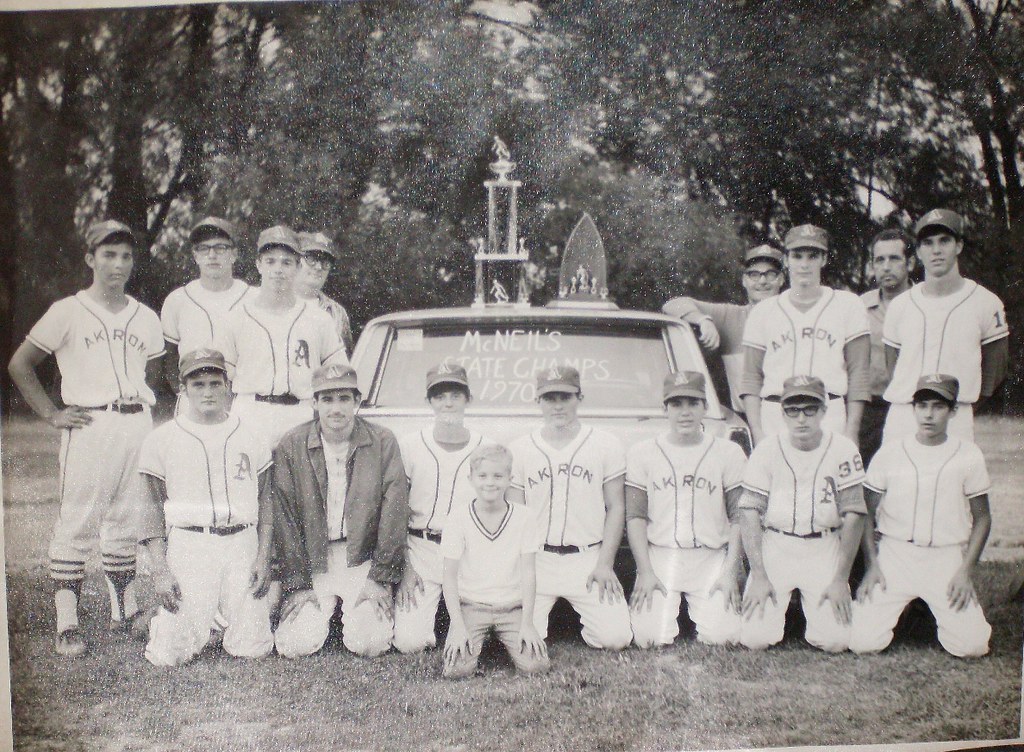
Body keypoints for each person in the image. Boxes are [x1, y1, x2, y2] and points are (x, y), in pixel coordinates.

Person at [7, 219, 164, 657]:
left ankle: (125, 609)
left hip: (136, 422)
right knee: (78, 520)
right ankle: (67, 622)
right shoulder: (67, 310)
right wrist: (52, 414)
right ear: (90, 258)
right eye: (108, 255)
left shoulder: (145, 316)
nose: (118, 264)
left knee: (128, 518)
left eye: (126, 256)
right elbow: (20, 364)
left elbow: (149, 373)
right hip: (90, 423)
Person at [137, 349, 274, 666]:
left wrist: (263, 557)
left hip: (242, 542)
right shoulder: (162, 439)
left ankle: (216, 617)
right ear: (183, 389)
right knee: (168, 655)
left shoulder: (251, 434)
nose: (208, 391)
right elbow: (149, 511)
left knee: (253, 647)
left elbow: (267, 502)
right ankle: (175, 621)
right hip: (190, 543)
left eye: (215, 383)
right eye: (198, 384)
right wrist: (160, 569)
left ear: (228, 385)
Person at [271, 363, 409, 658]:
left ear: (357, 402)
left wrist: (378, 577)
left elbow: (393, 512)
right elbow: (284, 516)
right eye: (327, 399)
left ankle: (353, 615)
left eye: (344, 398)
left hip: (360, 556)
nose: (336, 408)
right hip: (314, 557)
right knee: (296, 645)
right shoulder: (292, 444)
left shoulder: (382, 441)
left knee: (369, 644)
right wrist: (297, 583)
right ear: (314, 403)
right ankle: (324, 614)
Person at [850, 374, 992, 658]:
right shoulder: (890, 453)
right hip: (896, 554)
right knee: (862, 642)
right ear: (913, 408)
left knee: (973, 647)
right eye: (922, 405)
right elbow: (866, 511)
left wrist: (965, 571)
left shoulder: (968, 454)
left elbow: (983, 518)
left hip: (945, 557)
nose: (928, 414)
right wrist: (872, 565)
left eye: (938, 406)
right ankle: (902, 614)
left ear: (953, 411)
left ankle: (923, 616)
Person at [507, 365, 633, 650]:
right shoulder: (521, 448)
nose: (557, 405)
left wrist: (605, 563)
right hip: (538, 558)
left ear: (580, 397)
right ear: (537, 401)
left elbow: (616, 507)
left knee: (615, 639)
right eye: (549, 398)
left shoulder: (605, 444)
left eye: (565, 397)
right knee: (519, 642)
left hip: (587, 558)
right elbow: (516, 515)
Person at [738, 375, 867, 652]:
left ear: (823, 410)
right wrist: (759, 575)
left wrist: (841, 579)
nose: (801, 418)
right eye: (793, 410)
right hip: (778, 544)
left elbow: (855, 513)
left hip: (824, 545)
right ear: (782, 413)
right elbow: (748, 511)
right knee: (754, 639)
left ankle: (812, 618)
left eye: (810, 409)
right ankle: (781, 617)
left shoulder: (843, 448)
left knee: (837, 641)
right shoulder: (767, 449)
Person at [625, 371, 746, 648]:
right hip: (662, 556)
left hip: (710, 557)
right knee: (649, 639)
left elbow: (740, 516)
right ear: (664, 408)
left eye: (693, 403)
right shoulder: (642, 452)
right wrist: (645, 571)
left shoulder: (728, 452)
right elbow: (635, 517)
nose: (685, 412)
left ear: (705, 406)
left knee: (724, 637)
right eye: (676, 404)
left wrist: (730, 571)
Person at [882, 209, 1009, 442]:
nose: (936, 250)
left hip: (955, 413)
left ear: (958, 246)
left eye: (944, 241)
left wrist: (963, 402)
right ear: (919, 251)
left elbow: (995, 369)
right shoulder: (900, 305)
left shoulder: (986, 302)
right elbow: (892, 364)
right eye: (928, 243)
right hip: (904, 412)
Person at [214, 225, 346, 448]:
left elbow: (339, 373)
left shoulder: (318, 319)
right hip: (250, 411)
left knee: (301, 483)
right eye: (270, 261)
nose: (278, 269)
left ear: (297, 265)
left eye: (286, 262)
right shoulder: (236, 317)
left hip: (301, 412)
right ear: (258, 264)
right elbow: (221, 379)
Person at [740, 224, 871, 446]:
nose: (804, 264)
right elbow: (751, 379)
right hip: (776, 413)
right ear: (787, 260)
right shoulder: (763, 311)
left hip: (829, 412)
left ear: (824, 259)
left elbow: (858, 375)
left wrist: (852, 431)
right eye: (797, 256)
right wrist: (757, 431)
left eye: (812, 256)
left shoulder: (849, 305)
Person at [393, 362, 490, 654]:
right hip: (421, 547)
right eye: (439, 395)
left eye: (456, 395)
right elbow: (396, 512)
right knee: (410, 643)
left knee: (484, 640)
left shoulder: (486, 446)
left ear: (468, 399)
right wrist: (406, 568)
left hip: (468, 549)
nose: (448, 402)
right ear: (429, 401)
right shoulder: (409, 445)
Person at [440, 444, 550, 679]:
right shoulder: (458, 517)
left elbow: (529, 572)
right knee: (456, 671)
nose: (490, 482)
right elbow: (449, 576)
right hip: (472, 605)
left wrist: (528, 623)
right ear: (470, 478)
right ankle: (476, 637)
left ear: (510, 479)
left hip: (512, 607)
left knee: (536, 667)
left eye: (498, 476)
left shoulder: (525, 517)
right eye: (483, 476)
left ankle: (505, 638)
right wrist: (457, 625)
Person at [663, 244, 785, 414]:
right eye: (754, 275)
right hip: (748, 419)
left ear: (781, 279)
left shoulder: (794, 317)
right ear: (744, 280)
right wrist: (703, 320)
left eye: (770, 274)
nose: (762, 281)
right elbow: (673, 304)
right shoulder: (731, 316)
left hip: (791, 416)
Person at [160, 216, 254, 393]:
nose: (212, 255)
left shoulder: (253, 298)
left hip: (243, 396)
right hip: (193, 395)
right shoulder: (178, 299)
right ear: (195, 256)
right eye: (203, 249)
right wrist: (182, 393)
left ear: (234, 254)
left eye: (220, 248)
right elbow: (169, 358)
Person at [858, 229, 914, 463]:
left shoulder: (923, 303)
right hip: (870, 408)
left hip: (910, 406)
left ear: (910, 263)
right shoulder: (860, 306)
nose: (886, 266)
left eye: (894, 258)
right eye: (879, 260)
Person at [294, 231, 354, 355]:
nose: (319, 267)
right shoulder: (276, 303)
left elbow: (345, 363)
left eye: (325, 262)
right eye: (311, 259)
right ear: (295, 260)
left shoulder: (337, 312)